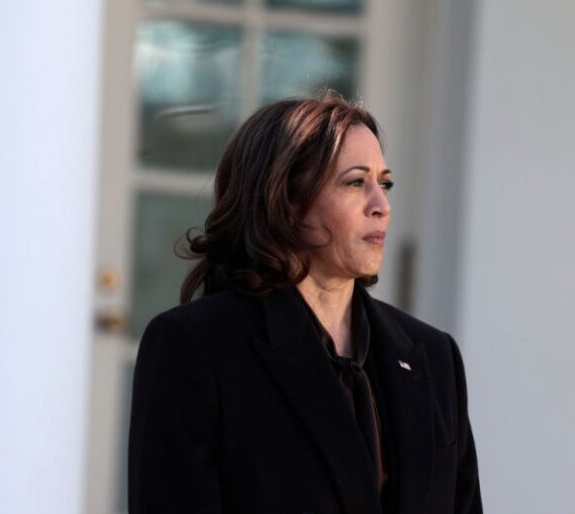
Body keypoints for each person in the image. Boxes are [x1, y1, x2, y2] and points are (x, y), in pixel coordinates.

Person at [127, 95, 483, 514]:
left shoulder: (433, 356)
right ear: (286, 202)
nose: (381, 206)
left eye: (384, 184)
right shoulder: (194, 346)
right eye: (355, 183)